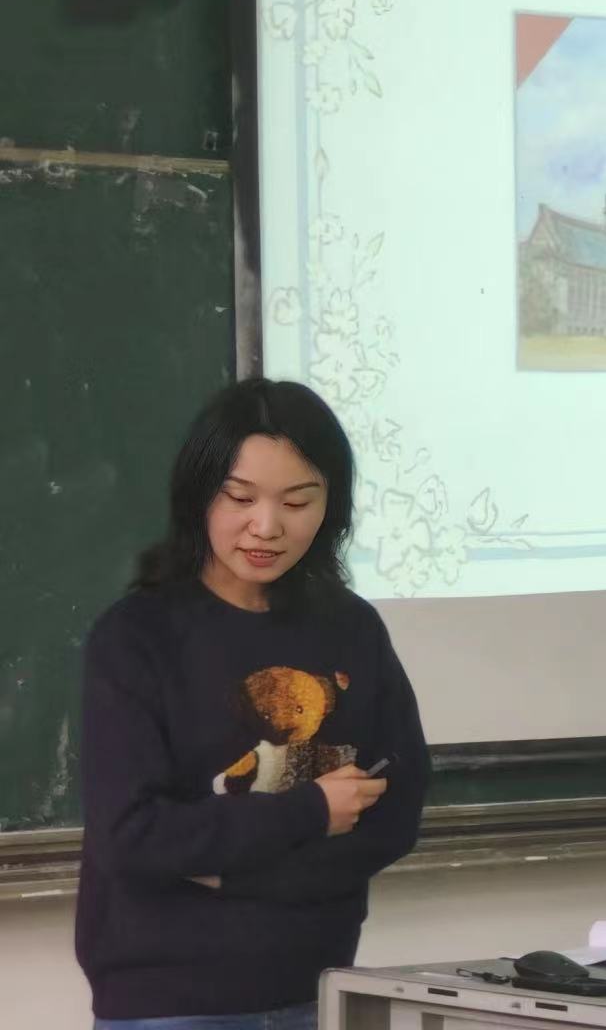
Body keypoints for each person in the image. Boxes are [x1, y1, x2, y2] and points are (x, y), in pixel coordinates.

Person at [76, 378, 430, 1028]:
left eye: (298, 501)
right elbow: (132, 836)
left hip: (318, 987)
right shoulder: (137, 637)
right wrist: (310, 811)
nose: (266, 527)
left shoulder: (351, 628)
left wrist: (234, 876)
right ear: (199, 495)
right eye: (240, 498)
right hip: (167, 1003)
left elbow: (394, 811)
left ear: (330, 505)